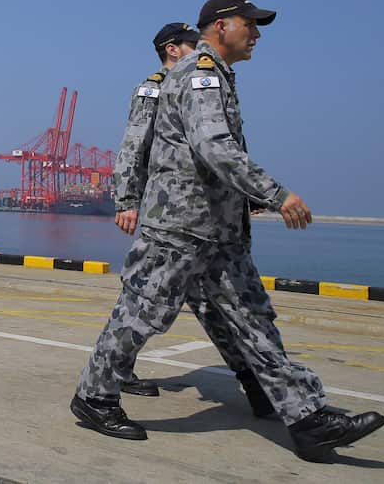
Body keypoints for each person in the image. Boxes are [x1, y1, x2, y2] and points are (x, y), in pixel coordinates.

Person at [71, 0, 384, 462]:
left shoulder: (215, 75)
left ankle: (305, 418)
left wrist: (243, 201)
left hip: (218, 229)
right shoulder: (200, 75)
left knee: (253, 319)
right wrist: (275, 194)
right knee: (142, 313)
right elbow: (213, 146)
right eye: (250, 25)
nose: (256, 34)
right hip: (180, 225)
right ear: (220, 27)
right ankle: (95, 396)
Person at [109, 22, 272, 416]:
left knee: (217, 305)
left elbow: (228, 144)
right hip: (170, 214)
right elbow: (134, 146)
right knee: (145, 300)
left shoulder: (203, 80)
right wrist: (126, 200)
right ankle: (112, 375)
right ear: (171, 49)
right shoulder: (155, 88)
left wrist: (245, 193)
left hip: (208, 217)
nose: (198, 47)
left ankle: (257, 382)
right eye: (189, 43)